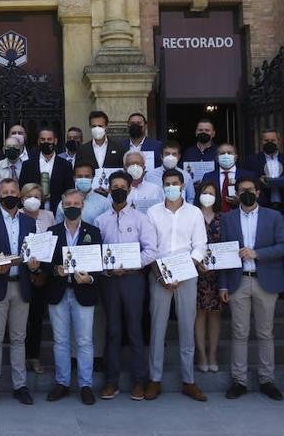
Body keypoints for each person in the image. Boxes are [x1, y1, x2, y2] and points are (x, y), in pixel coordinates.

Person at [219, 177, 284, 401]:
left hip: (265, 280)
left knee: (265, 332)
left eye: (250, 190)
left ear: (258, 193)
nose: (246, 193)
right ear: (236, 194)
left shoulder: (274, 216)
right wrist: (222, 284)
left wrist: (258, 253)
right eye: (241, 190)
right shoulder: (227, 218)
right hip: (238, 281)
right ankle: (239, 380)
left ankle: (267, 379)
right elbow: (222, 251)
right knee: (239, 332)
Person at [145, 169, 209, 401]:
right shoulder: (152, 212)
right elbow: (150, 248)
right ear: (162, 186)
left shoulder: (194, 213)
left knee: (186, 328)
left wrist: (183, 270)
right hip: (159, 276)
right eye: (167, 183)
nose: (171, 187)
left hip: (187, 275)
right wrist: (162, 276)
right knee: (157, 328)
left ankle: (189, 381)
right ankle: (154, 379)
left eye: (175, 183)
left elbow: (200, 245)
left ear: (182, 186)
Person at [93, 171, 157, 400]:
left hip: (133, 279)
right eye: (114, 186)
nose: (118, 190)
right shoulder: (101, 220)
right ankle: (111, 381)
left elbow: (151, 250)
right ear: (109, 190)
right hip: (110, 280)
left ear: (129, 189)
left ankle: (139, 381)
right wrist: (107, 269)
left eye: (122, 186)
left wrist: (132, 265)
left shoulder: (141, 219)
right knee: (112, 330)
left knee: (135, 330)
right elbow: (95, 253)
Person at [0, 178, 38, 406]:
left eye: (13, 191)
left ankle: (20, 385)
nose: (9, 195)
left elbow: (34, 252)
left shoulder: (28, 222)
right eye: (5, 192)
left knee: (18, 339)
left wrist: (35, 264)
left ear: (19, 195)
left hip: (21, 285)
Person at [45, 189, 102, 405]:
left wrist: (90, 279)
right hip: (59, 291)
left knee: (85, 341)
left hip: (83, 291)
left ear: (82, 206)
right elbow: (45, 264)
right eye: (67, 203)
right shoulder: (51, 232)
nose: (72, 206)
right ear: (61, 205)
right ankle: (62, 383)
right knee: (60, 341)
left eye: (76, 203)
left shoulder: (93, 232)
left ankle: (85, 385)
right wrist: (54, 270)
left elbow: (99, 263)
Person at [18, 183, 54, 375]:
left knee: (36, 319)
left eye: (37, 196)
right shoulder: (16, 216)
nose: (33, 200)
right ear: (22, 198)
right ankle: (19, 358)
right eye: (29, 196)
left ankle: (34, 357)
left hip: (42, 274)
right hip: (21, 275)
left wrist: (41, 272)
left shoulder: (48, 216)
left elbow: (52, 246)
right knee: (20, 320)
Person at [193, 181, 223, 374]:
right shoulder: (193, 216)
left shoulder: (223, 219)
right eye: (204, 192)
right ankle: (202, 355)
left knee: (215, 316)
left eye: (211, 193)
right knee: (199, 315)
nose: (207, 196)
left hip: (218, 275)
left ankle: (213, 354)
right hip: (196, 272)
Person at [242, 130, 284, 213]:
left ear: (279, 142)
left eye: (273, 140)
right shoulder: (251, 160)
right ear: (261, 142)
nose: (269, 143)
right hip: (261, 205)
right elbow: (244, 180)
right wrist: (258, 181)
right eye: (266, 140)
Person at [18, 128, 75, 213]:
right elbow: (22, 189)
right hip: (32, 211)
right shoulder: (28, 164)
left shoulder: (65, 165)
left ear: (55, 141)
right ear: (38, 141)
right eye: (43, 139)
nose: (46, 142)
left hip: (57, 211)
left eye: (49, 139)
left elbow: (69, 190)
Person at [200, 143, 257, 212]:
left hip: (241, 215)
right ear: (217, 158)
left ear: (236, 157)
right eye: (222, 153)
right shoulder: (208, 176)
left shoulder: (249, 175)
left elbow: (258, 198)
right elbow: (201, 199)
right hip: (216, 217)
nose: (226, 156)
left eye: (229, 153)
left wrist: (241, 199)